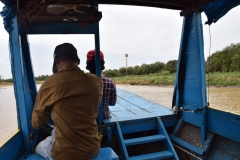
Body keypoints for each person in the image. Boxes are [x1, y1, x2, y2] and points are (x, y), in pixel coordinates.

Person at [31, 43, 103, 160]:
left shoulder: (49, 83)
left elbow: (37, 123)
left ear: (57, 61)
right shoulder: (97, 82)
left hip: (64, 153)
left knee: (39, 147)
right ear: (78, 61)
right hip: (92, 148)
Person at [86, 50, 117, 119]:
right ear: (103, 67)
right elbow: (112, 103)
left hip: (88, 119)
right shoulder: (110, 82)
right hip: (104, 117)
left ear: (87, 67)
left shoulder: (81, 82)